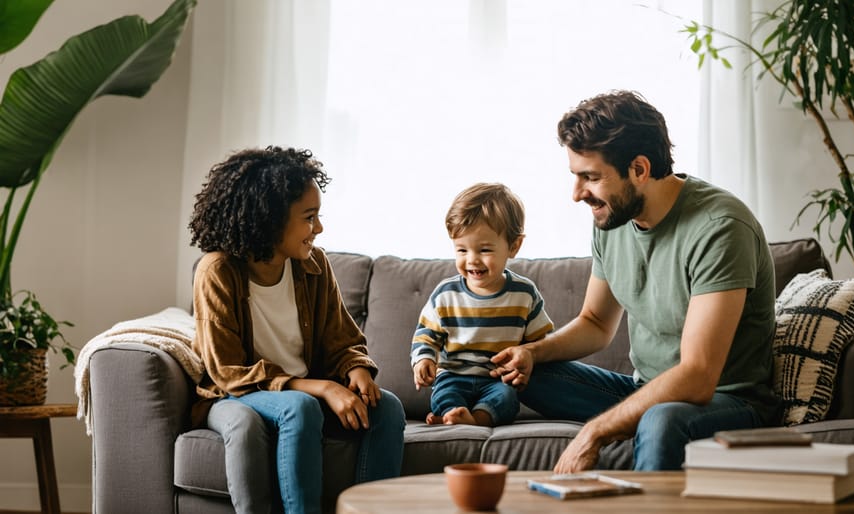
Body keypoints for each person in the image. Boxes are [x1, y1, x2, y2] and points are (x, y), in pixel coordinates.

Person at [490, 90, 778, 472]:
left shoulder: (720, 227)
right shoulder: (613, 219)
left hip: (727, 400)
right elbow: (595, 323)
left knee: (662, 418)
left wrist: (595, 432)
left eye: (590, 177)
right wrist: (532, 353)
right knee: (527, 373)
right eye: (576, 177)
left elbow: (697, 377)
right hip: (647, 389)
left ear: (639, 169)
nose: (577, 194)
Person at [188, 146, 406, 514]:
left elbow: (344, 339)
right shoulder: (217, 272)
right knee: (301, 408)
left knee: (389, 408)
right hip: (236, 394)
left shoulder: (314, 265)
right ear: (270, 220)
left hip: (301, 392)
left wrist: (356, 370)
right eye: (309, 217)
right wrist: (321, 386)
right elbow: (227, 371)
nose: (318, 228)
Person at [411, 183, 554, 426]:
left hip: (497, 380)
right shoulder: (445, 294)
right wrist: (424, 360)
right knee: (443, 393)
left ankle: (470, 419)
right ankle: (452, 412)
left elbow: (542, 342)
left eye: (484, 249)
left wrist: (528, 361)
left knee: (507, 398)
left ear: (514, 246)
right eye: (462, 250)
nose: (472, 260)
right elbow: (426, 335)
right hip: (454, 375)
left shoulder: (524, 294)